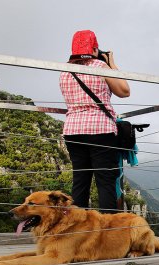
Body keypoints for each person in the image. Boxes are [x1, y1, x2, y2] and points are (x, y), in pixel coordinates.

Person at [59, 29, 130, 213]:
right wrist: (111, 63)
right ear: (95, 48)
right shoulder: (100, 67)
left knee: (80, 181)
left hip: (73, 130)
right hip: (100, 130)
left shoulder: (65, 71)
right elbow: (124, 91)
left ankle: (77, 230)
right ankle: (108, 230)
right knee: (105, 181)